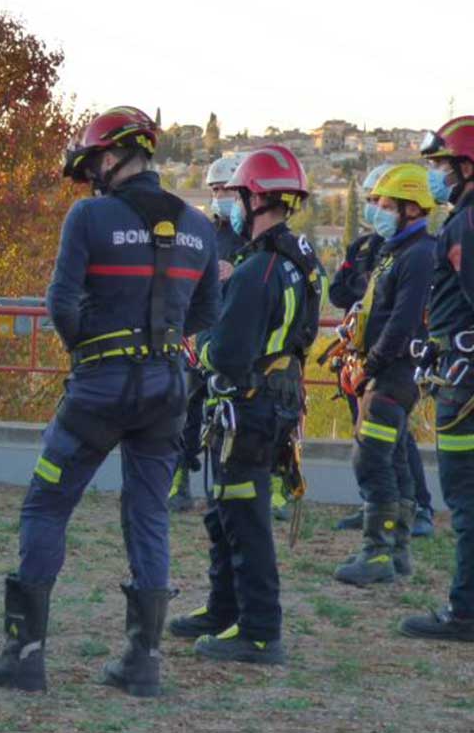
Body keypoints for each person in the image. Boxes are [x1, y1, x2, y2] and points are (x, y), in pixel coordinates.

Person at [0, 106, 219, 697]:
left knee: (46, 507)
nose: (91, 178)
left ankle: (24, 654)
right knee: (149, 514)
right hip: (166, 391)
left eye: (93, 166)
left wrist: (94, 347)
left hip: (98, 392)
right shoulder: (200, 228)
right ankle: (143, 663)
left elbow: (61, 303)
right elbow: (207, 312)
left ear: (109, 157)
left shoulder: (89, 217)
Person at [167, 145, 324, 666]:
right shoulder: (298, 262)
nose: (231, 205)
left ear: (254, 197)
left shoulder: (259, 270)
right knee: (226, 512)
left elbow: (228, 353)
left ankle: (258, 630)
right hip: (271, 405)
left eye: (237, 195)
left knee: (244, 517)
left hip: (249, 409)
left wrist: (202, 347)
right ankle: (224, 609)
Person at [333, 163, 436, 586]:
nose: (379, 211)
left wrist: (368, 367)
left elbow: (402, 323)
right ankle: (399, 553)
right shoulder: (395, 250)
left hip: (393, 374)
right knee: (392, 459)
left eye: (387, 205)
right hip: (388, 371)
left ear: (412, 209)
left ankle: (377, 552)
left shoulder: (419, 255)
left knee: (372, 459)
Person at [401, 116, 474, 640]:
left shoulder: (466, 225)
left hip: (465, 385)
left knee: (466, 497)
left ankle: (466, 611)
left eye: (445, 166)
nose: (439, 177)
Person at [170, 153, 248, 512]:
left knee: (231, 415)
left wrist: (238, 272)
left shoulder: (255, 239)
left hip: (239, 341)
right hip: (201, 338)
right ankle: (179, 480)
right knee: (186, 409)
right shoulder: (205, 234)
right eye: (215, 190)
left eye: (226, 189)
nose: (220, 196)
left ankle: (228, 486)